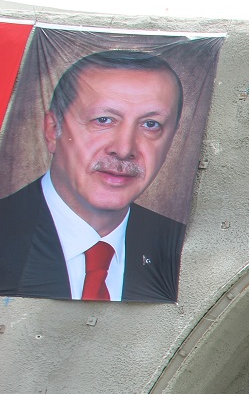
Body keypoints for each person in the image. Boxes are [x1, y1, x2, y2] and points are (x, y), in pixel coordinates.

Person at [0, 50, 186, 302]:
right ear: (52, 129)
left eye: (150, 125)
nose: (124, 149)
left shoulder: (181, 247)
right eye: (103, 120)